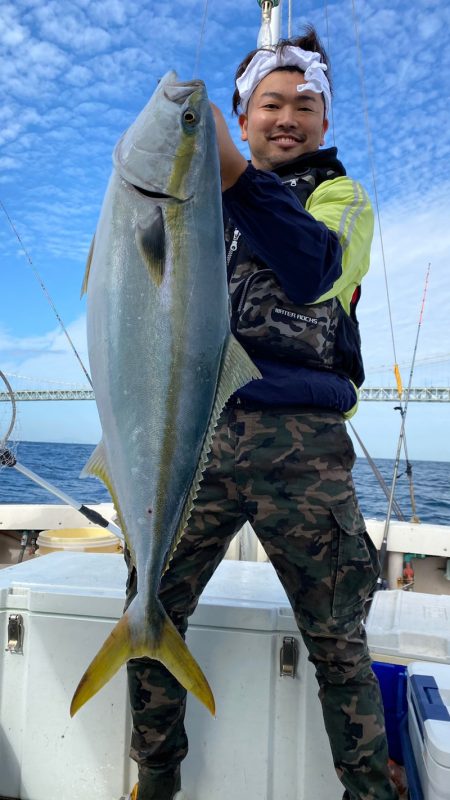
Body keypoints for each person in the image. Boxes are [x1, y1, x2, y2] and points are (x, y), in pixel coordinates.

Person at [125, 26, 399, 800]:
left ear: (324, 120)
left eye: (305, 105)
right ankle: (155, 780)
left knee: (337, 639)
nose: (287, 117)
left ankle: (368, 792)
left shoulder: (342, 199)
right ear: (240, 118)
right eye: (269, 103)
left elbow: (316, 266)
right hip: (197, 435)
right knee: (150, 611)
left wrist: (238, 178)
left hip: (304, 446)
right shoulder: (195, 205)